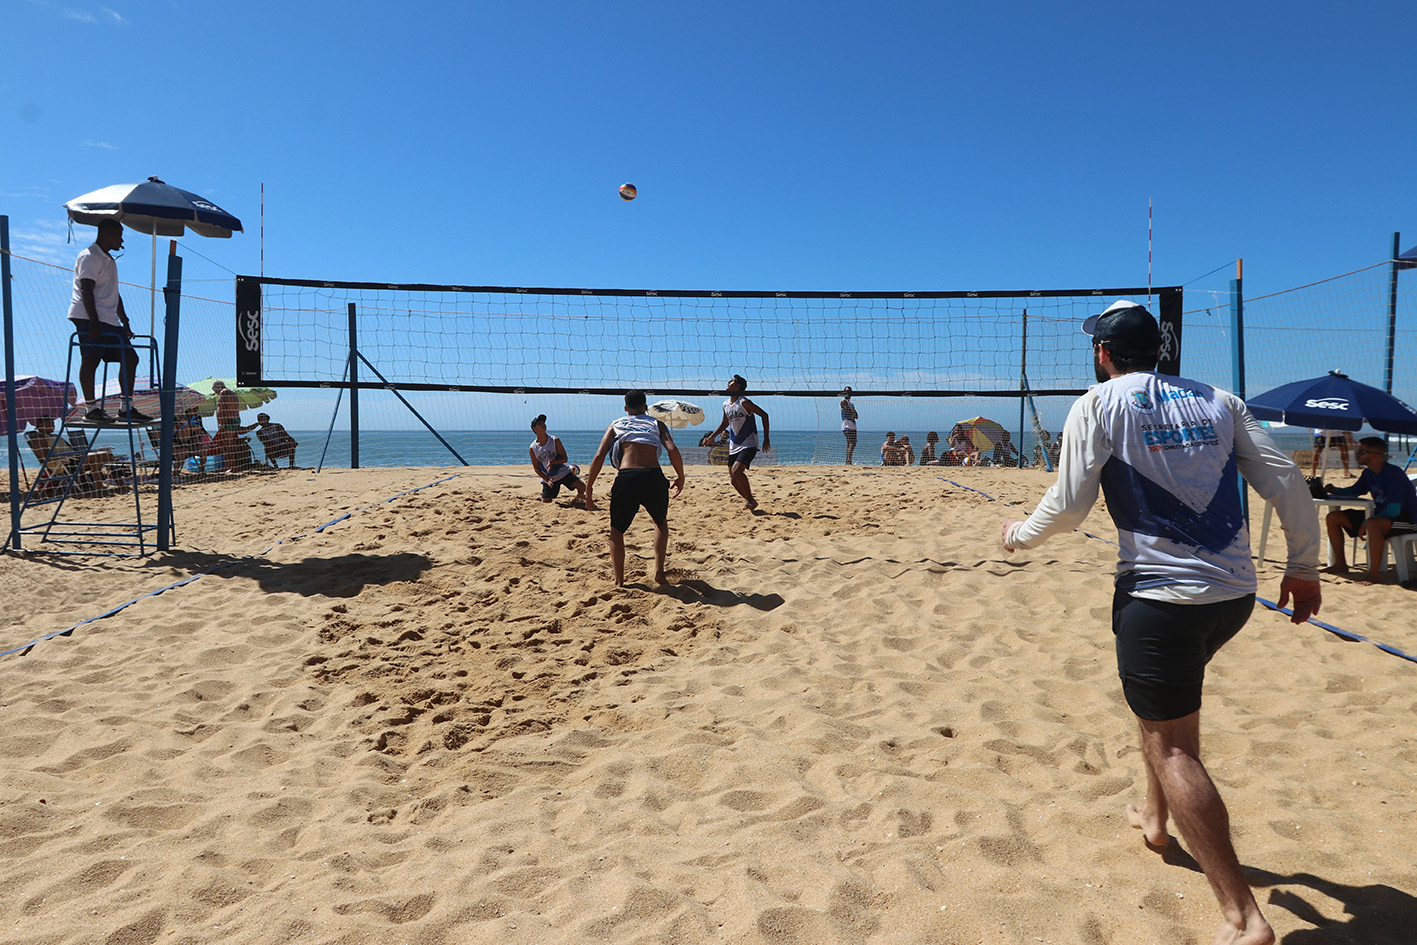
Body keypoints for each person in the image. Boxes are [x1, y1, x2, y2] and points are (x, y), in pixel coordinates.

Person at [1000, 299, 1321, 945]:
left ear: (1101, 353)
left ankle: (1242, 916)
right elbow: (1284, 476)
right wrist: (1304, 565)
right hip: (1231, 598)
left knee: (1173, 745)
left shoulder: (1098, 403)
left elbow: (1067, 508)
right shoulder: (1219, 400)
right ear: (1161, 349)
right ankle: (1153, 818)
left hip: (1158, 599)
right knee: (1163, 716)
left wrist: (1018, 536)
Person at [584, 390, 686, 586]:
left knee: (616, 531)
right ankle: (659, 572)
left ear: (625, 408)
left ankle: (619, 580)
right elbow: (672, 449)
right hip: (653, 477)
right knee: (660, 523)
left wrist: (589, 488)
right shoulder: (657, 423)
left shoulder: (617, 424)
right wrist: (681, 476)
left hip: (627, 477)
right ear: (646, 407)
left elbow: (599, 455)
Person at [67, 220, 149, 424]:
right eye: (118, 234)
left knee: (130, 357)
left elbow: (114, 294)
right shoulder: (90, 256)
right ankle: (91, 408)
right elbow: (86, 288)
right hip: (89, 316)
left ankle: (126, 408)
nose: (121, 239)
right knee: (91, 359)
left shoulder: (109, 259)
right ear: (105, 233)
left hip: (108, 319)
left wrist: (125, 320)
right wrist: (93, 321)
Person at [1321, 436, 1417, 585]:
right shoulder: (1368, 473)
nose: (1357, 454)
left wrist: (1366, 523)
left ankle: (1373, 575)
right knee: (1333, 517)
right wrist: (1335, 490)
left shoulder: (1394, 474)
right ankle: (1340, 564)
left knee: (1373, 524)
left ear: (1375, 456)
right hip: (1382, 517)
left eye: (1361, 451)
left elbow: (1393, 509)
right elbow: (1354, 491)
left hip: (1408, 519)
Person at [701, 374, 770, 510]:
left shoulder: (744, 402)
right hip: (734, 445)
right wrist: (712, 437)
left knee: (737, 471)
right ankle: (751, 501)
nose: (728, 383)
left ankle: (750, 500)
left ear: (738, 386)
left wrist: (766, 438)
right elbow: (725, 422)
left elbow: (764, 415)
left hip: (748, 443)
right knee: (733, 480)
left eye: (731, 382)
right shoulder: (726, 404)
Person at [26, 416, 113, 492]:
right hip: (63, 464)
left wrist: (88, 451)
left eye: (53, 423)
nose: (52, 425)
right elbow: (46, 458)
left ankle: (120, 482)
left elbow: (72, 449)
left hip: (73, 460)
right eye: (49, 423)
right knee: (94, 458)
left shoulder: (56, 436)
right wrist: (70, 455)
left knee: (107, 454)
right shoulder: (39, 438)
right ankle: (99, 487)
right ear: (40, 425)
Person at [527, 413, 586, 504]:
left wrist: (553, 462)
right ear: (534, 429)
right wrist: (547, 480)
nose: (543, 424)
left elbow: (565, 459)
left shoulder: (555, 440)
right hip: (550, 478)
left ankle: (579, 497)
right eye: (539, 424)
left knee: (583, 487)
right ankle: (543, 495)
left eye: (543, 423)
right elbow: (536, 468)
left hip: (563, 472)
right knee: (546, 501)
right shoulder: (533, 448)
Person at [840, 387, 859, 464]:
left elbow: (856, 416)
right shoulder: (843, 401)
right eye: (847, 392)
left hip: (853, 426)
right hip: (847, 426)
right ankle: (848, 461)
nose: (849, 394)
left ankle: (848, 461)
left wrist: (853, 414)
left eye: (850, 392)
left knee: (852, 444)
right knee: (851, 443)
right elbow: (850, 412)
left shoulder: (851, 404)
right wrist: (852, 414)